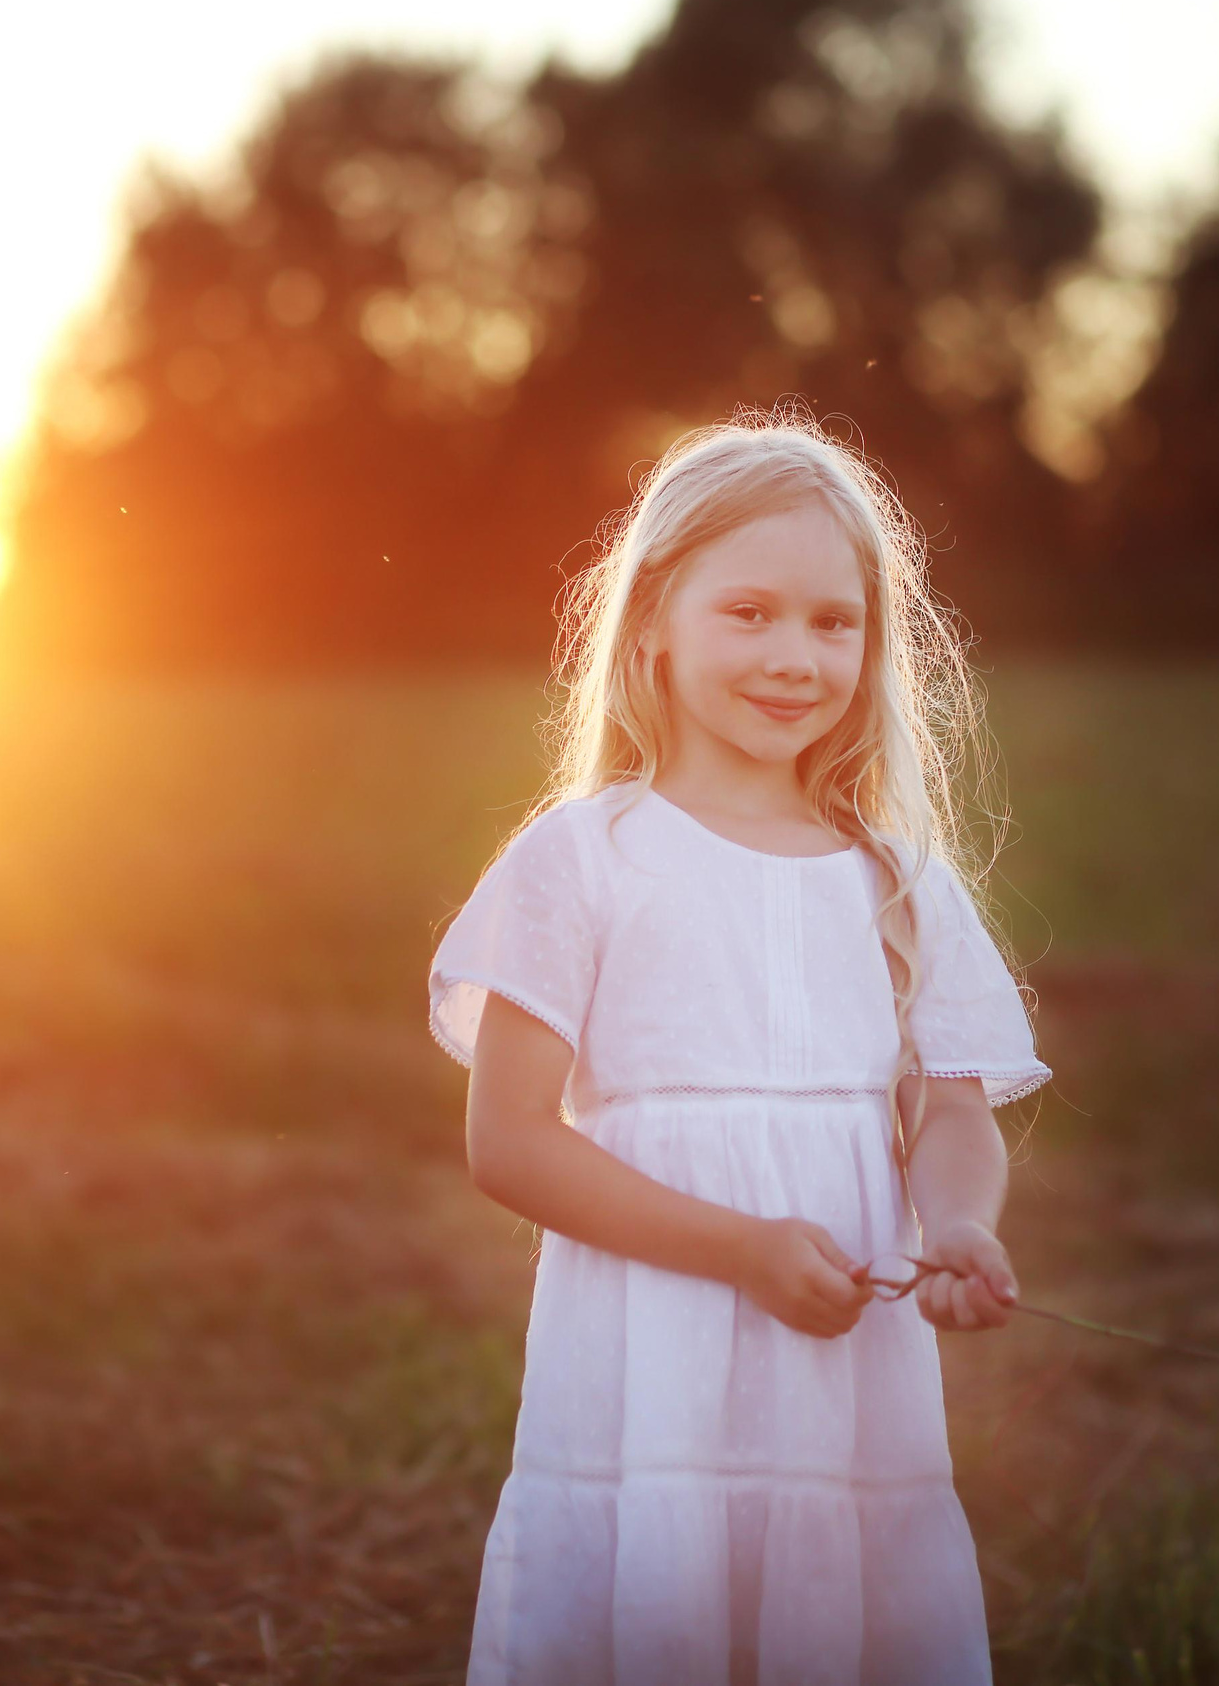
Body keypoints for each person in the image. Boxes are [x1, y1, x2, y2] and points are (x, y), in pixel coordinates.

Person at [427, 404, 1051, 1684]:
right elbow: (507, 1141)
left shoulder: (900, 880)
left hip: (848, 1373)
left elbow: (950, 1112)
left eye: (834, 621)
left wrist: (958, 1226)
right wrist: (739, 1249)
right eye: (748, 611)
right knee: (667, 1598)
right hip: (651, 1351)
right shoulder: (582, 859)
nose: (795, 656)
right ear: (652, 618)